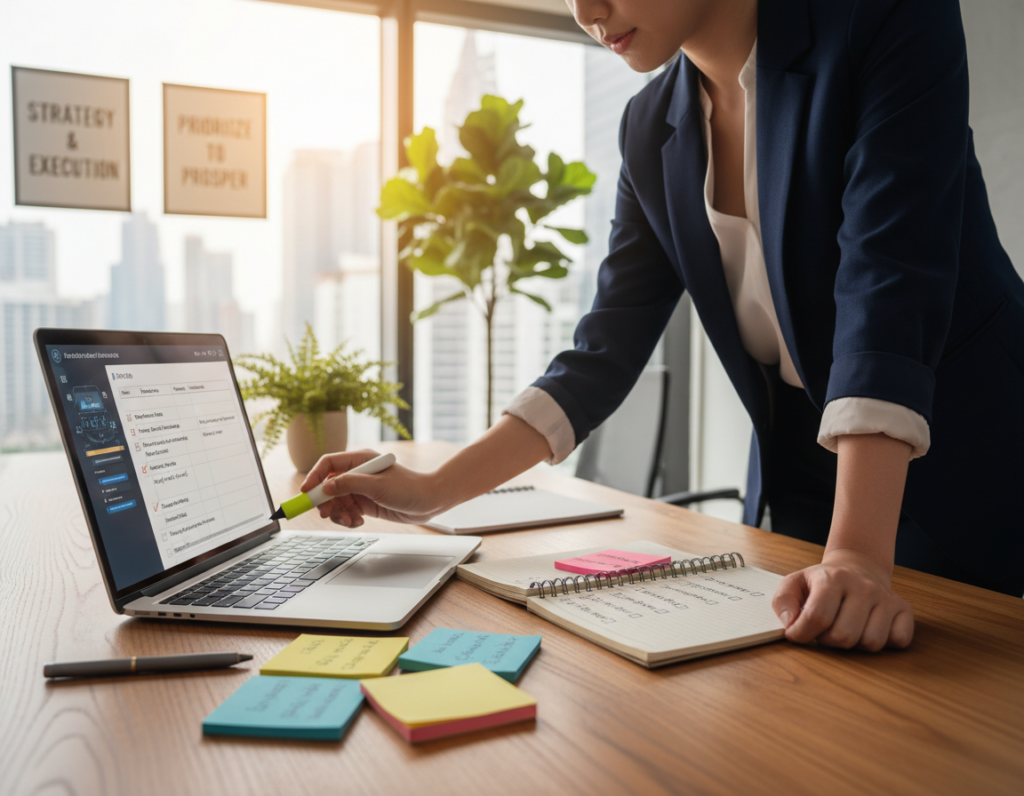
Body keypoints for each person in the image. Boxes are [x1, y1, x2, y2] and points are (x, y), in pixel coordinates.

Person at [301, 0, 1024, 651]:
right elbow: (603, 350)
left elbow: (887, 284)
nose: (587, 10)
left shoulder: (887, 18)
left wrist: (858, 555)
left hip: (972, 465)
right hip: (808, 477)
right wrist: (433, 490)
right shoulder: (650, 127)